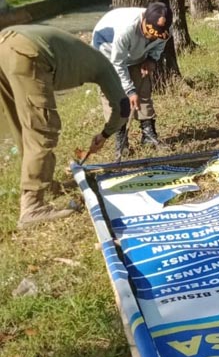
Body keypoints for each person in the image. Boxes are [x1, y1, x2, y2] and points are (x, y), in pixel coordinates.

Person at [0, 26, 129, 228]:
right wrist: (105, 134)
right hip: (28, 53)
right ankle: (32, 205)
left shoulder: (85, 54)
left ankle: (46, 184)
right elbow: (123, 108)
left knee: (23, 126)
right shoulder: (105, 67)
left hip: (5, 44)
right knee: (43, 130)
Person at [92, 2, 172, 157]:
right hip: (107, 52)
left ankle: (148, 133)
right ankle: (121, 138)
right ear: (144, 20)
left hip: (135, 52)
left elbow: (159, 46)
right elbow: (117, 63)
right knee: (115, 94)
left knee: (143, 88)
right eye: (150, 33)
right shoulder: (126, 30)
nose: (153, 36)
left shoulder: (166, 29)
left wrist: (151, 59)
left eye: (156, 34)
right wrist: (129, 90)